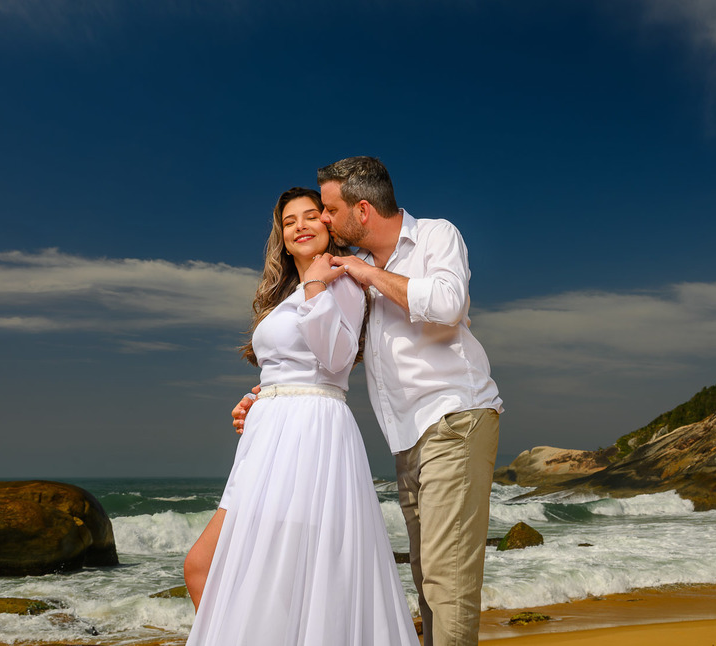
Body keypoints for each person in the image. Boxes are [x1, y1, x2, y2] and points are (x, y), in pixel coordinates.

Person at [234, 157, 503, 646]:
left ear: (362, 210)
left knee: (447, 581)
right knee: (427, 577)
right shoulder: (352, 271)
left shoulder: (434, 236)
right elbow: (325, 359)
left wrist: (368, 274)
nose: (324, 220)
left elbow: (449, 305)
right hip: (406, 436)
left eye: (329, 210)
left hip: (456, 417)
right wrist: (267, 398)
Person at [184, 186, 418, 646]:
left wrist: (315, 284)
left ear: (329, 226)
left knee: (282, 577)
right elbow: (283, 368)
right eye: (289, 222)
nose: (300, 226)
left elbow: (335, 358)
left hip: (309, 436)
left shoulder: (341, 281)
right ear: (283, 238)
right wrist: (256, 399)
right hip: (268, 437)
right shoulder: (287, 294)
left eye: (311, 216)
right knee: (204, 567)